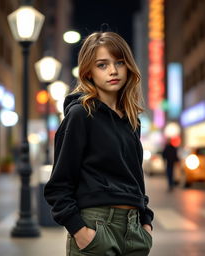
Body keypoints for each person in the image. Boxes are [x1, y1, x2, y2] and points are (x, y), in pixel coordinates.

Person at [44, 31, 153, 256]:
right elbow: (58, 186)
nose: (113, 71)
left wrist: (146, 223)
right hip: (96, 228)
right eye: (102, 65)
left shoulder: (132, 120)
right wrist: (81, 232)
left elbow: (135, 177)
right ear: (89, 73)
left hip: (134, 231)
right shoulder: (80, 115)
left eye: (119, 63)